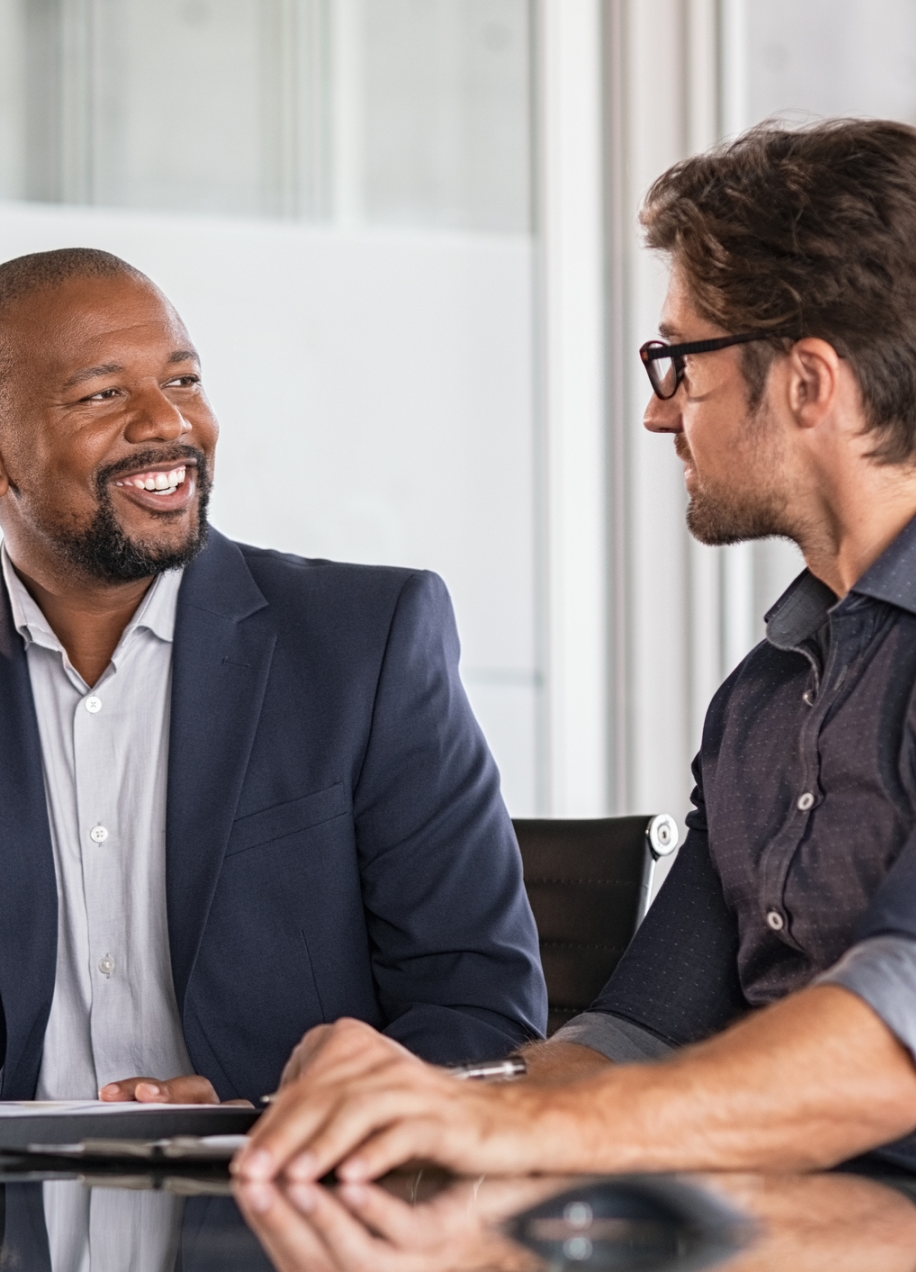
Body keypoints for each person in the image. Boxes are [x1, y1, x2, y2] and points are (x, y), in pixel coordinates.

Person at [233, 117, 916, 1180]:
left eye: (679, 362)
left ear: (809, 383)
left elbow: (897, 1040)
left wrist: (514, 1131)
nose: (659, 413)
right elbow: (637, 1035)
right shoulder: (763, 700)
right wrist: (396, 1102)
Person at [0, 248, 545, 1106]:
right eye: (103, 394)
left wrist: (267, 1117)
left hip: (287, 1208)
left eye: (183, 381)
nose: (166, 423)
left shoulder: (364, 644)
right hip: (25, 1224)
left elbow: (480, 1013)